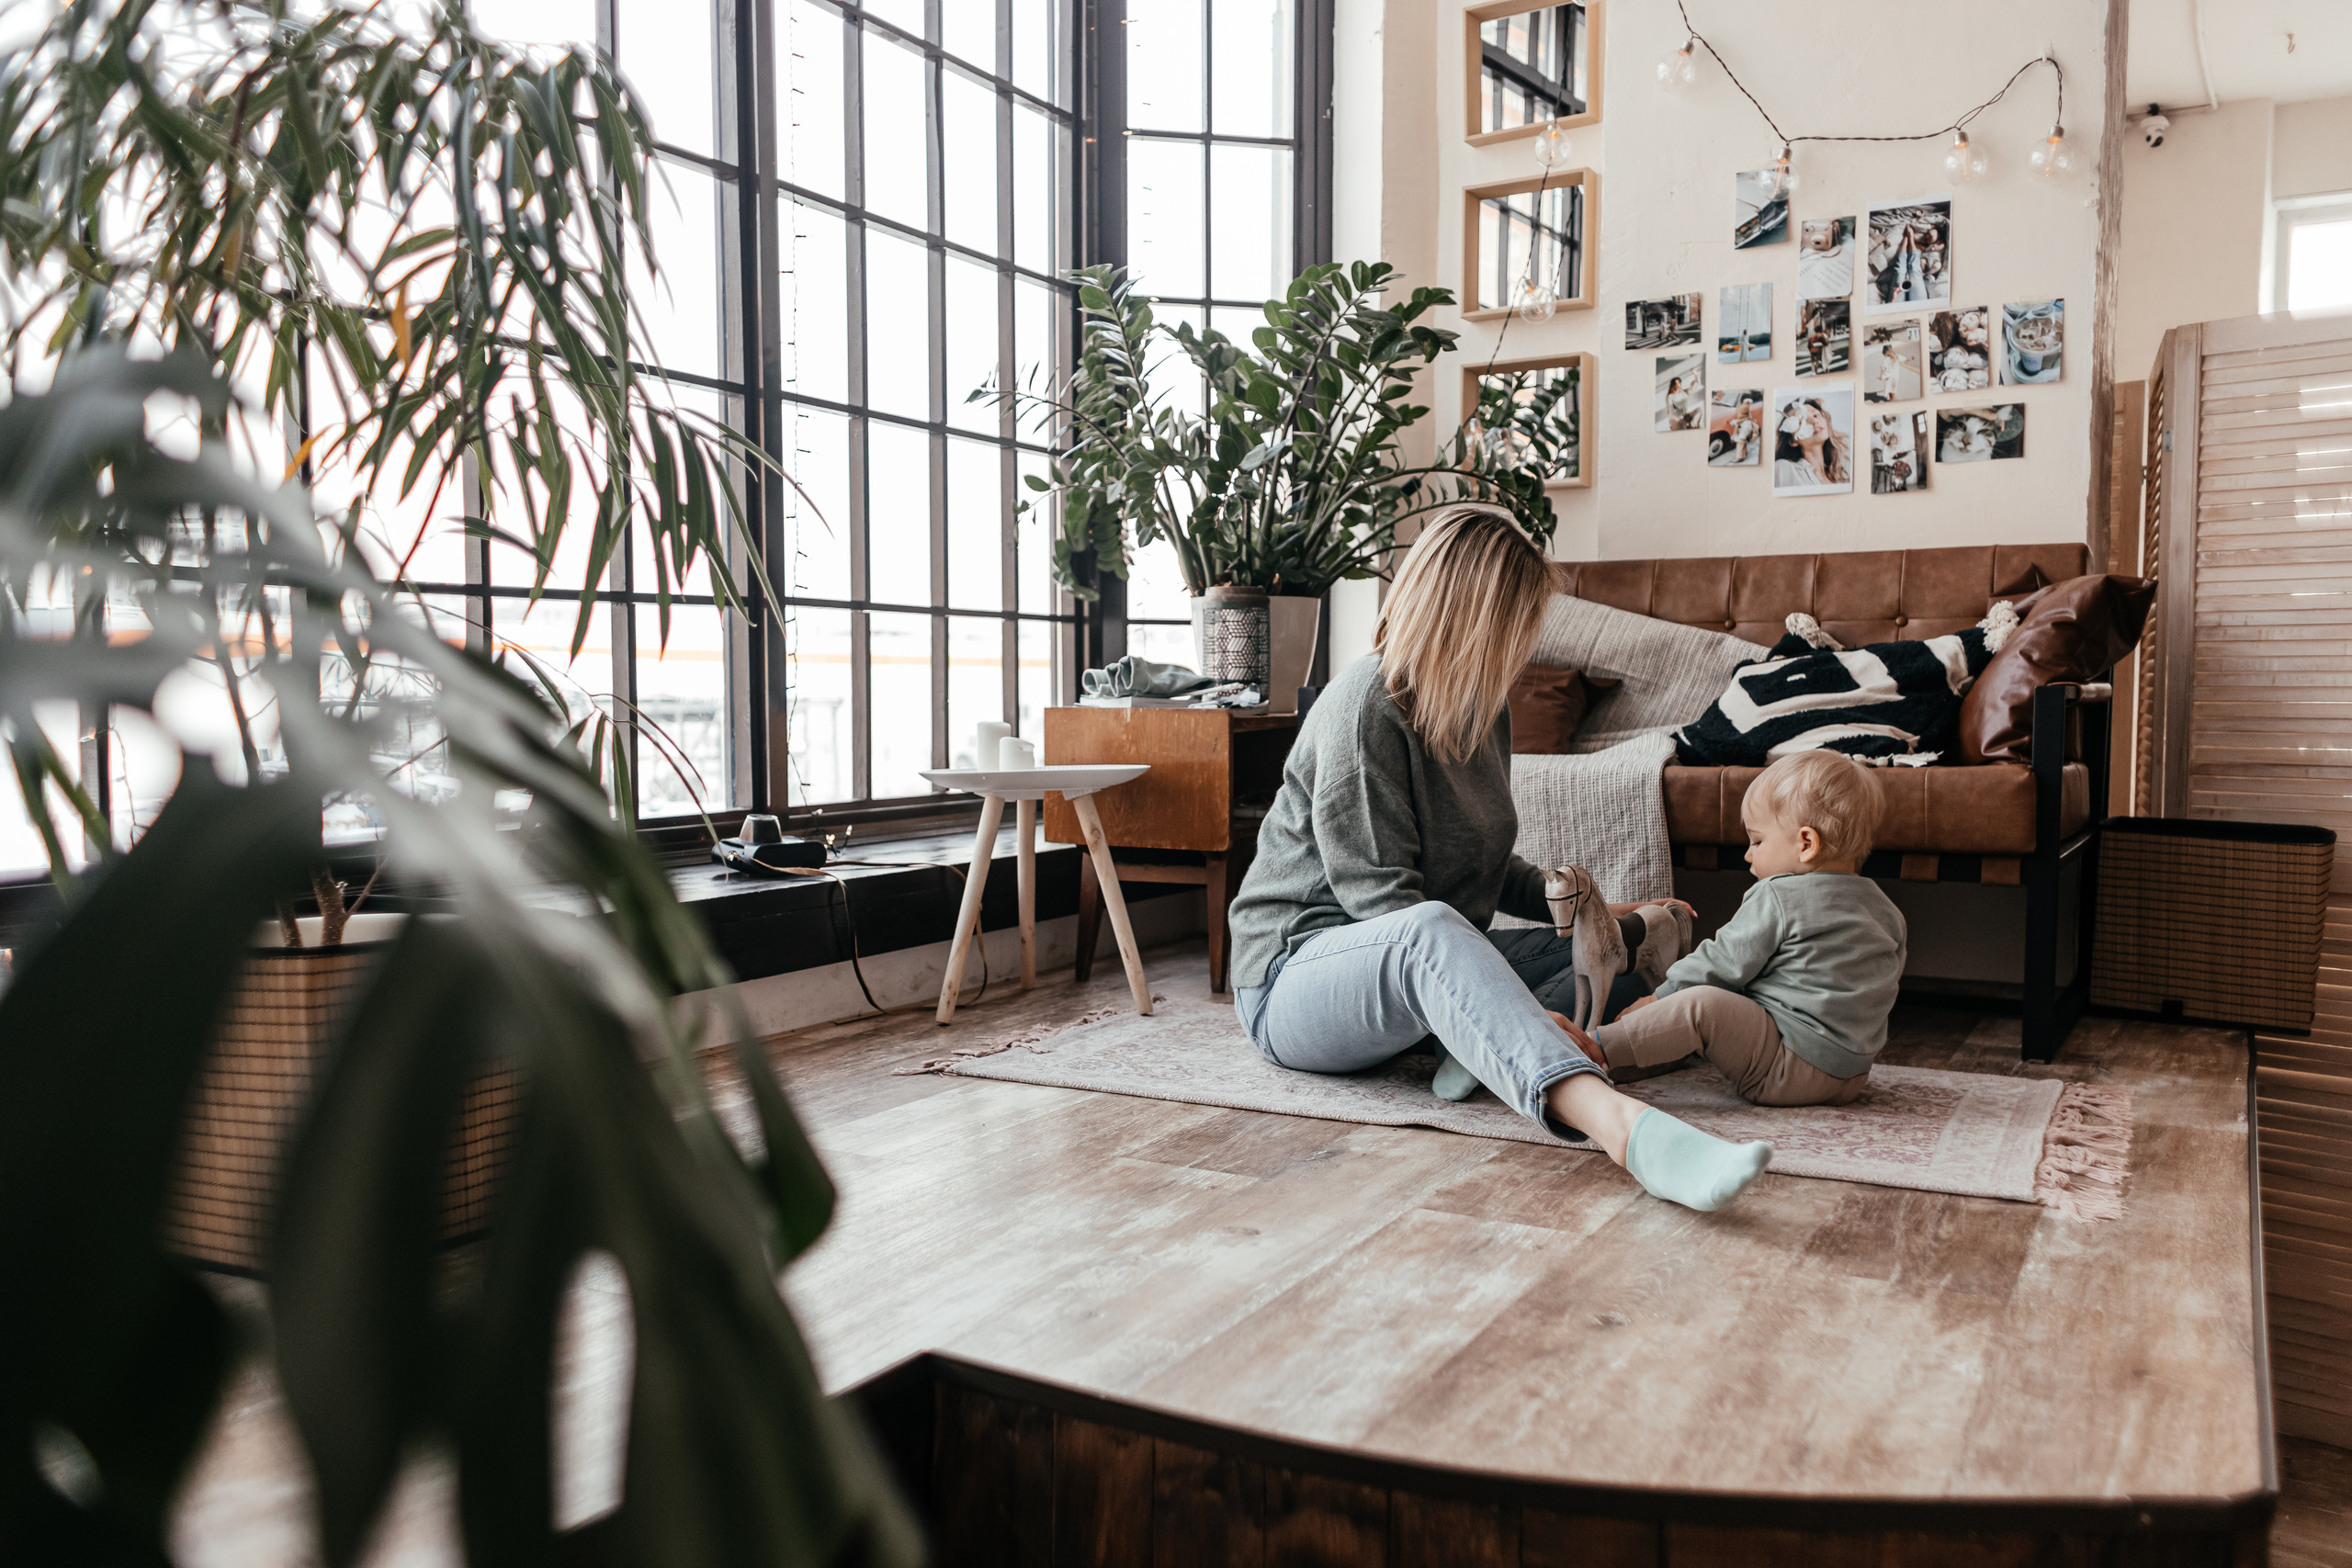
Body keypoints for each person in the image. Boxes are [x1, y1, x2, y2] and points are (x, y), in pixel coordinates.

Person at [1227, 506, 1774, 1213]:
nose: (1530, 642)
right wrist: (1500, 986)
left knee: (1615, 941)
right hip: (1295, 979)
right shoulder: (1364, 703)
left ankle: (1478, 1050)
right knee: (1433, 935)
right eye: (1519, 622)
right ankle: (1622, 1127)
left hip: (1420, 958)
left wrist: (1575, 906)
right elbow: (1387, 905)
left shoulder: (1484, 710)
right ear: (1471, 617)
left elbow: (1482, 861)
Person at [1590, 751, 1906, 1106]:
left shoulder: (1778, 894)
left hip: (1785, 1071)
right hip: (1852, 1076)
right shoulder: (1886, 909)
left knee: (1702, 1004)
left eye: (1756, 841)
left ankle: (1596, 1049)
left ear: (1806, 844)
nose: (1748, 854)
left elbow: (1720, 961)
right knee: (1744, 993)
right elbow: (1883, 986)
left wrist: (1658, 1000)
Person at [1773, 397, 1848, 487]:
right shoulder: (1782, 469)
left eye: (1816, 415)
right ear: (1793, 441)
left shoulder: (1841, 477)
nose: (1814, 421)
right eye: (1801, 422)